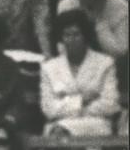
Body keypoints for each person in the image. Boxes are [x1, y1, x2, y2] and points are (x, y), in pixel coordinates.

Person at [40, 9, 119, 138]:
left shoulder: (105, 63)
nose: (71, 40)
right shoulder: (49, 67)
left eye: (76, 34)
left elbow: (110, 104)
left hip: (95, 126)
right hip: (58, 127)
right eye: (66, 35)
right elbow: (48, 109)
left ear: (86, 36)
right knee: (57, 133)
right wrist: (82, 101)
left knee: (62, 132)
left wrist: (65, 104)